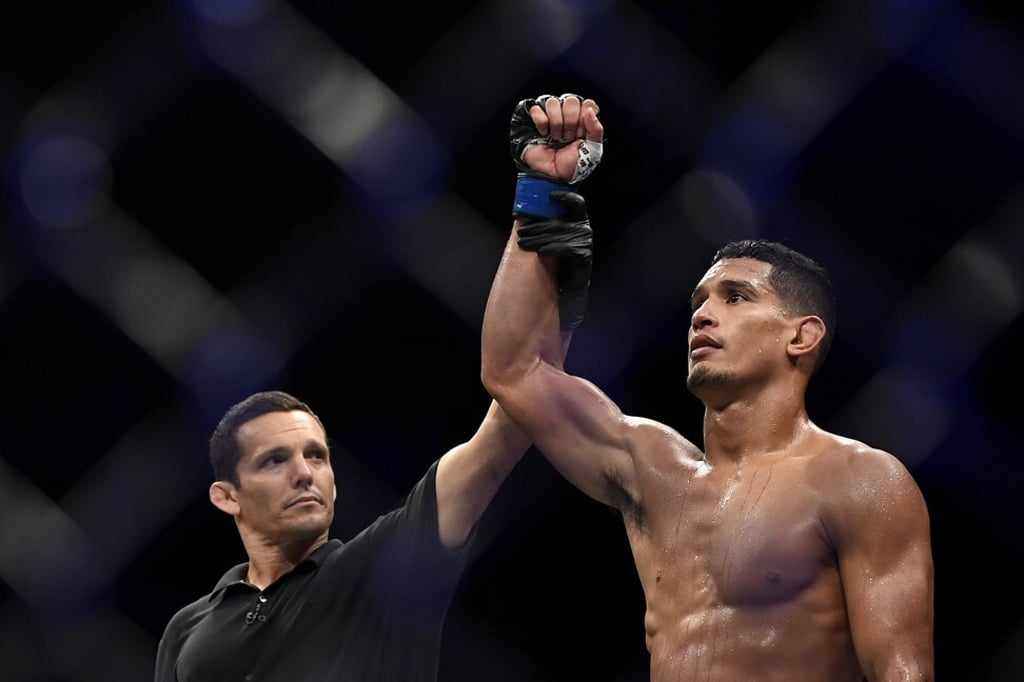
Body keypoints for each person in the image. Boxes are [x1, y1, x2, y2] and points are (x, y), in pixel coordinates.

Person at [480, 93, 935, 680]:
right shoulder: (654, 470)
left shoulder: (861, 481)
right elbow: (514, 370)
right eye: (698, 302)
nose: (701, 315)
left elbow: (903, 672)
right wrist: (540, 190)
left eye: (736, 298)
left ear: (801, 337)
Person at [153, 212, 594, 679]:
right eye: (274, 460)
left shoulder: (381, 568)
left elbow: (501, 434)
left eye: (316, 455)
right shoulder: (188, 626)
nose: (304, 472)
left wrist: (541, 220)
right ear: (228, 496)